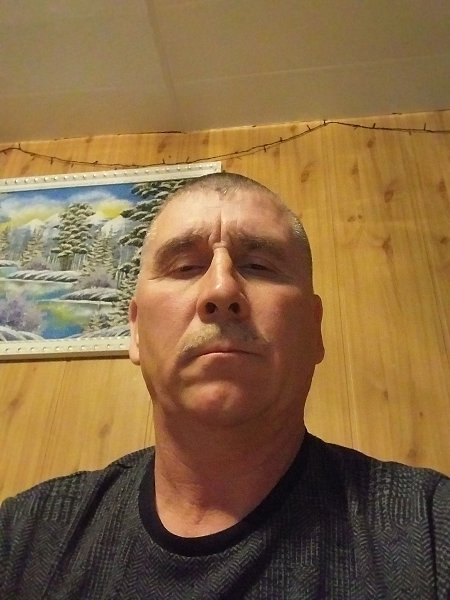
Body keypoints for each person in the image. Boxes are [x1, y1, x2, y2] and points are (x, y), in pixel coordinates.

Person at [0, 172, 448, 599]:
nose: (220, 289)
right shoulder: (22, 539)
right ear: (135, 330)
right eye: (184, 267)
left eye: (259, 265)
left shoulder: (431, 531)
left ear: (314, 330)